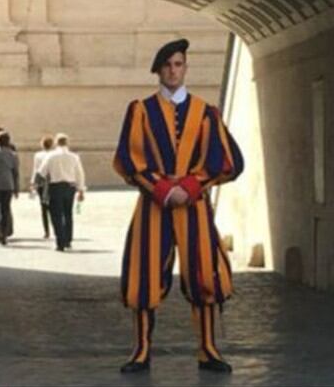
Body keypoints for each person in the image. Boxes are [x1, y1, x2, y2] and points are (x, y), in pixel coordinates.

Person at [115, 38, 244, 375]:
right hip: (153, 207)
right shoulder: (140, 110)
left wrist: (190, 187)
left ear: (185, 67)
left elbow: (219, 159)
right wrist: (161, 189)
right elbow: (129, 159)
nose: (173, 70)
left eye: (178, 64)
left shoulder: (206, 112)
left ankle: (208, 348)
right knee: (144, 276)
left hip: (194, 205)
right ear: (158, 70)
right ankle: (141, 350)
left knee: (205, 272)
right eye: (167, 65)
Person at [37, 133, 86, 251]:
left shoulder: (51, 156)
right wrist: (81, 190)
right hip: (70, 186)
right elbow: (80, 174)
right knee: (68, 214)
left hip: (56, 186)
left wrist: (38, 184)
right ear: (67, 142)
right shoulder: (74, 157)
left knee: (56, 215)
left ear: (56, 143)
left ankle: (60, 241)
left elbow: (41, 172)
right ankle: (68, 239)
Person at [31, 135, 55, 239]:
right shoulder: (54, 154)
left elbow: (36, 170)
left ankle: (46, 231)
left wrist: (33, 183)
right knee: (54, 208)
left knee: (44, 208)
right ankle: (56, 229)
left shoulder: (38, 155)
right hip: (53, 182)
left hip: (41, 182)